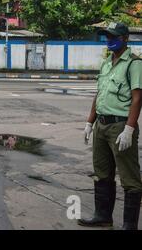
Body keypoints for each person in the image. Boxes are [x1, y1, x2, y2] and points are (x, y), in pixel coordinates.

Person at [78, 22, 142, 230]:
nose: (109, 40)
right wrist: (90, 122)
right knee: (102, 173)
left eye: (113, 37)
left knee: (129, 179)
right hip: (102, 125)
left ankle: (129, 226)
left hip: (120, 126)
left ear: (124, 39)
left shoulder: (134, 64)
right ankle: (103, 217)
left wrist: (129, 129)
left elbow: (137, 98)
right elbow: (99, 94)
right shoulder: (107, 63)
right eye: (107, 37)